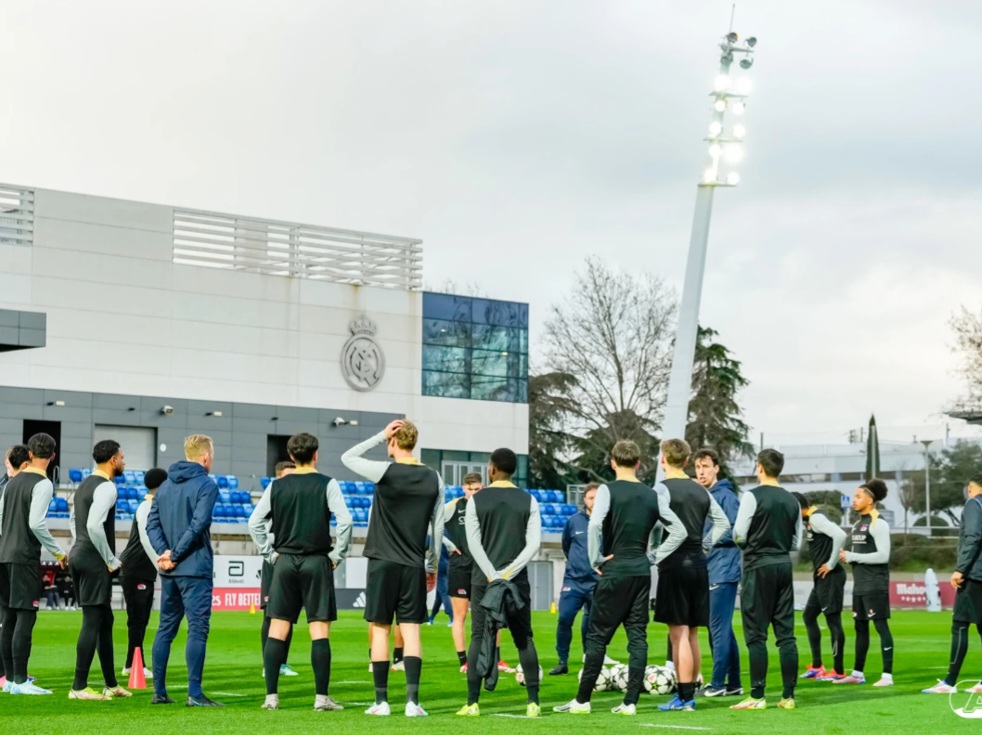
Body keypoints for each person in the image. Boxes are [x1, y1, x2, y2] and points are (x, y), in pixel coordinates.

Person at [555, 440, 687, 716]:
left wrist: (596, 560)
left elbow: (593, 525)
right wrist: (652, 557)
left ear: (613, 463)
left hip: (614, 571)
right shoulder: (653, 494)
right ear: (638, 464)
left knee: (597, 637)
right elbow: (680, 531)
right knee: (637, 637)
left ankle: (582, 701)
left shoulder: (607, 490)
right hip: (641, 571)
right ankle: (630, 703)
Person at [342, 419, 444, 718]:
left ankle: (381, 702)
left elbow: (347, 458)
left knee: (380, 631)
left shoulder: (384, 471)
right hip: (413, 564)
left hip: (382, 562)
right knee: (411, 631)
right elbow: (437, 528)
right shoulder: (434, 478)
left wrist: (379, 434)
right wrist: (432, 565)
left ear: (394, 442)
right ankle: (413, 702)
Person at [249, 432, 353, 712]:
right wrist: (337, 555)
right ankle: (321, 698)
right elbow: (345, 522)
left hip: (284, 562)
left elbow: (255, 522)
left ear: (292, 457)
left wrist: (269, 554)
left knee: (277, 630)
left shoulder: (276, 486)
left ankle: (271, 697)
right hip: (317, 561)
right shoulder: (327, 484)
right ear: (316, 455)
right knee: (319, 631)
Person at [457, 448, 543, 718]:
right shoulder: (529, 500)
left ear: (491, 469)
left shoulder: (476, 500)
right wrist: (509, 572)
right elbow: (534, 544)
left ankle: (472, 703)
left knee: (478, 636)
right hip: (516, 582)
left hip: (485, 581)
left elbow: (473, 542)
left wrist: (493, 573)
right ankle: (533, 703)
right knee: (523, 639)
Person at [653, 439, 730, 712]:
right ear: (686, 461)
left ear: (664, 459)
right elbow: (723, 523)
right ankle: (691, 693)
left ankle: (684, 698)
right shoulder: (701, 490)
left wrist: (654, 553)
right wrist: (705, 544)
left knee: (679, 635)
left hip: (674, 564)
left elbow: (652, 521)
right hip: (699, 564)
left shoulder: (661, 488)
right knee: (693, 633)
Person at [146, 435, 222, 707]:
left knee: (165, 628)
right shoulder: (206, 485)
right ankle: (195, 693)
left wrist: (164, 553)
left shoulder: (165, 486)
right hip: (194, 567)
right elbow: (199, 524)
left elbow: (151, 525)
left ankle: (159, 691)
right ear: (205, 457)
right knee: (198, 629)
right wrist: (175, 554)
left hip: (169, 571)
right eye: (211, 455)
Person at [731, 448, 801, 711]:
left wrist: (751, 544)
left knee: (756, 633)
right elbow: (796, 541)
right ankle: (788, 696)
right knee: (786, 635)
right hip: (783, 565)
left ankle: (758, 695)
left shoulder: (752, 495)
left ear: (758, 467)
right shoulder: (792, 500)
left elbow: (739, 533)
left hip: (757, 565)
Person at [0, 432, 67, 695]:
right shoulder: (44, 483)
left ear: (29, 454)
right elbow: (36, 523)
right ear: (52, 456)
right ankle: (19, 681)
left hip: (4, 554)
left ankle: (8, 681)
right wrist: (59, 553)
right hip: (24, 557)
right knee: (25, 617)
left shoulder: (11, 483)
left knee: (7, 617)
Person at [68, 440, 131, 701]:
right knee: (93, 621)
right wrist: (110, 559)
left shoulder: (83, 484)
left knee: (105, 620)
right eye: (122, 457)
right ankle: (79, 686)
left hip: (79, 554)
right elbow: (94, 525)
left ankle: (111, 683)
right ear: (112, 460)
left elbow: (74, 521)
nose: (124, 462)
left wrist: (78, 545)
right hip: (94, 559)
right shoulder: (107, 487)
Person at [923, 474, 982, 694]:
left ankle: (949, 683)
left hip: (974, 574)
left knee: (959, 625)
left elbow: (973, 536)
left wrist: (961, 569)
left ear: (970, 488)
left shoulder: (973, 503)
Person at [693, 448, 744, 697]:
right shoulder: (709, 495)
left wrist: (705, 540)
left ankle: (716, 683)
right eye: (697, 467)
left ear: (716, 468)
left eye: (705, 466)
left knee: (718, 627)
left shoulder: (725, 496)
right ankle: (733, 682)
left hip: (723, 569)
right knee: (724, 628)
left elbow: (737, 532)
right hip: (713, 568)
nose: (701, 471)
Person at [835, 478, 894, 688]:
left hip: (875, 584)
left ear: (870, 500)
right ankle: (857, 673)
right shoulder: (858, 524)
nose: (854, 500)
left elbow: (883, 556)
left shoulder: (879, 523)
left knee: (881, 627)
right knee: (860, 627)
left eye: (858, 496)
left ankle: (887, 675)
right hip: (859, 585)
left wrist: (853, 556)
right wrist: (847, 555)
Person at [551, 483, 610, 675]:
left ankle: (589, 657)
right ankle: (562, 661)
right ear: (584, 499)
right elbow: (566, 546)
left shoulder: (607, 522)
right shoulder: (573, 521)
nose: (594, 501)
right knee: (565, 618)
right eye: (590, 497)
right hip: (573, 581)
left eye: (597, 498)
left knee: (593, 622)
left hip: (597, 581)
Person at [793, 492, 847, 682]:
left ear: (799, 507)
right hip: (821, 578)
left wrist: (831, 563)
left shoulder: (816, 518)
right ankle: (817, 666)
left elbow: (840, 535)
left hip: (830, 576)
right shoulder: (811, 519)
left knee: (833, 622)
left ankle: (838, 671)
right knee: (809, 616)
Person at [119, 467, 168, 680]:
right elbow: (147, 540)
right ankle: (133, 663)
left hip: (142, 570)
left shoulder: (153, 506)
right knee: (138, 618)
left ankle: (132, 662)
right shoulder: (146, 507)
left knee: (141, 618)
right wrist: (161, 564)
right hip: (136, 569)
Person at [259, 460, 300, 679]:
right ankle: (269, 664)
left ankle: (282, 662)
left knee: (288, 612)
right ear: (277, 477)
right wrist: (271, 551)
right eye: (287, 477)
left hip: (292, 560)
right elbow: (259, 527)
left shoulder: (296, 500)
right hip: (274, 560)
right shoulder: (271, 496)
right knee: (271, 612)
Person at [444, 473, 482, 672]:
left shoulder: (486, 505)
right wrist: (448, 544)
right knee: (459, 616)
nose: (473, 493)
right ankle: (463, 661)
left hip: (482, 567)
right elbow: (431, 524)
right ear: (463, 488)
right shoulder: (454, 506)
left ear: (482, 487)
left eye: (477, 489)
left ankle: (490, 658)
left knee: (484, 614)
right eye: (470, 489)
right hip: (459, 566)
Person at [428, 546, 453, 626]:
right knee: (439, 595)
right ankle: (431, 617)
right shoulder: (448, 535)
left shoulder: (434, 534)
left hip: (439, 564)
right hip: (447, 563)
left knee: (443, 592)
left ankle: (452, 617)